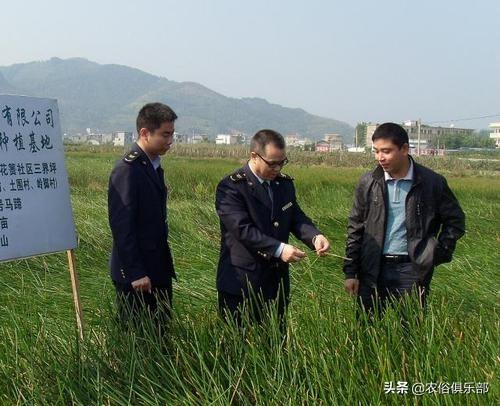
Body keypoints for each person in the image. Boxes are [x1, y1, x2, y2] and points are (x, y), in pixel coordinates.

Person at [343, 122, 465, 315]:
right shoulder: (368, 182)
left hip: (412, 270)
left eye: (386, 151)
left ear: (405, 149)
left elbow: (455, 221)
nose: (380, 157)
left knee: (409, 332)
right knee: (367, 331)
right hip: (372, 269)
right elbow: (355, 228)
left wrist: (436, 252)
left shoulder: (431, 182)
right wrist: (350, 272)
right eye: (376, 151)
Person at [215, 129, 330, 328]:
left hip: (276, 284)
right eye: (272, 163)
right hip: (242, 283)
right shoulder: (232, 187)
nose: (277, 168)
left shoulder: (283, 185)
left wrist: (314, 236)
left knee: (275, 346)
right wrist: (279, 249)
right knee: (238, 348)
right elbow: (242, 229)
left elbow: (295, 216)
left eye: (282, 162)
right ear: (254, 156)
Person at [108, 102, 177, 327]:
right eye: (165, 135)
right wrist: (136, 272)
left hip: (157, 269)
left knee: (160, 335)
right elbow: (122, 227)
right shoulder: (128, 170)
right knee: (138, 341)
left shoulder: (153, 166)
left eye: (172, 134)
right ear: (145, 133)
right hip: (138, 276)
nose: (170, 141)